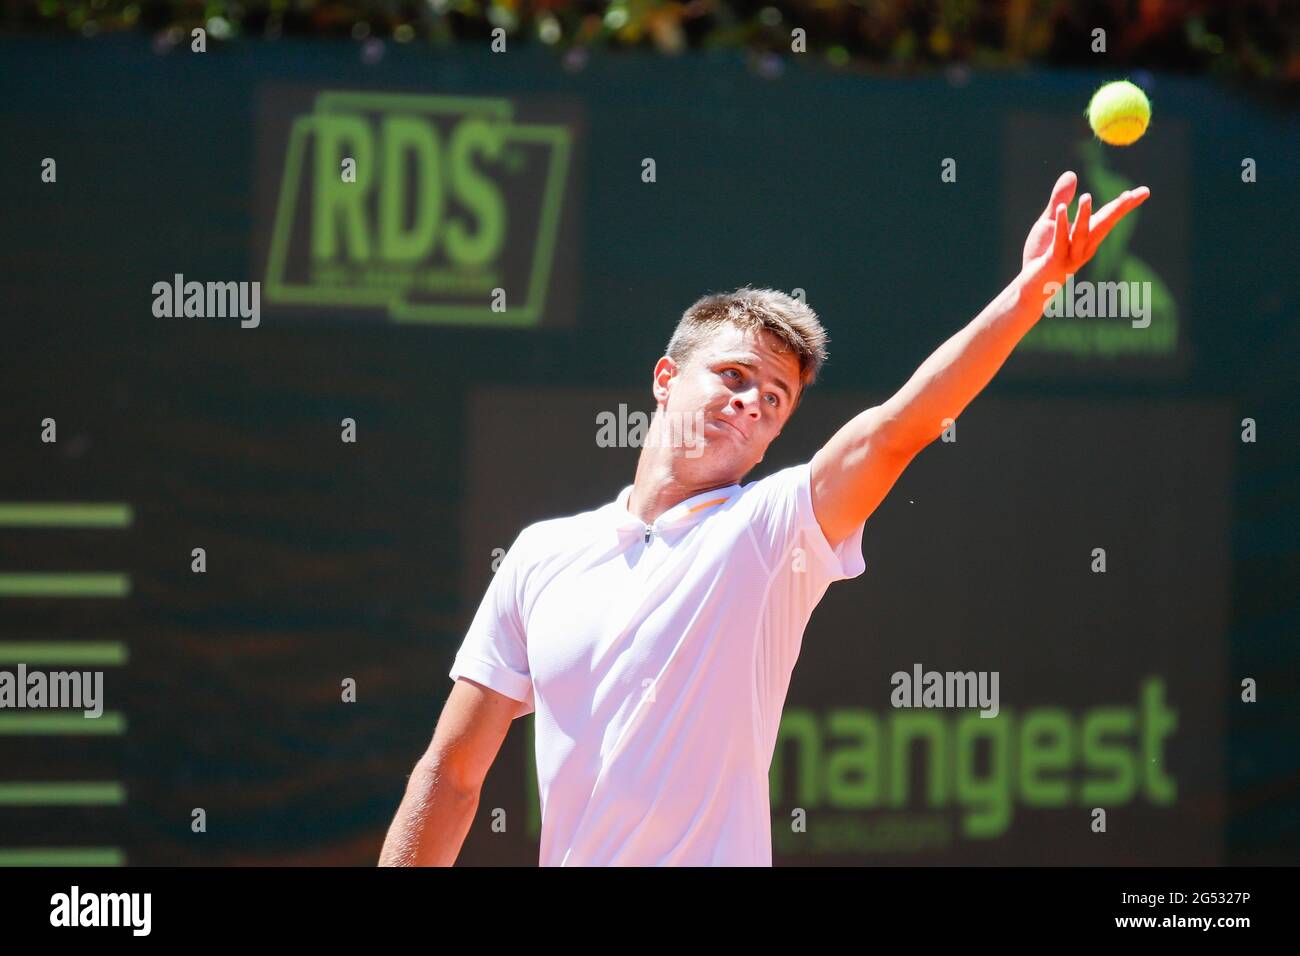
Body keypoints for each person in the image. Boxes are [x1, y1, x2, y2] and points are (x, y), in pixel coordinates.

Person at [379, 171, 1150, 866]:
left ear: (774, 435)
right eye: (735, 375)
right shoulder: (541, 555)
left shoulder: (769, 529)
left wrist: (1033, 291)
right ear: (666, 378)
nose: (752, 401)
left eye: (773, 399)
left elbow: (898, 428)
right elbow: (451, 774)